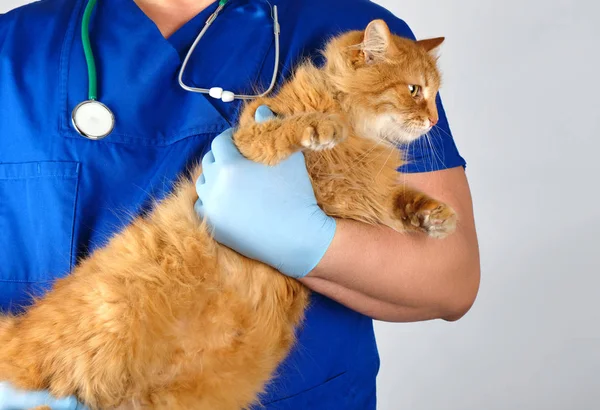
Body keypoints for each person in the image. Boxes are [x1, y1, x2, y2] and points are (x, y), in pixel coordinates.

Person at [0, 0, 480, 408]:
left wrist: (310, 242)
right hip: (54, 375)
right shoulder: (14, 44)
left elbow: (451, 277)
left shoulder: (351, 27)